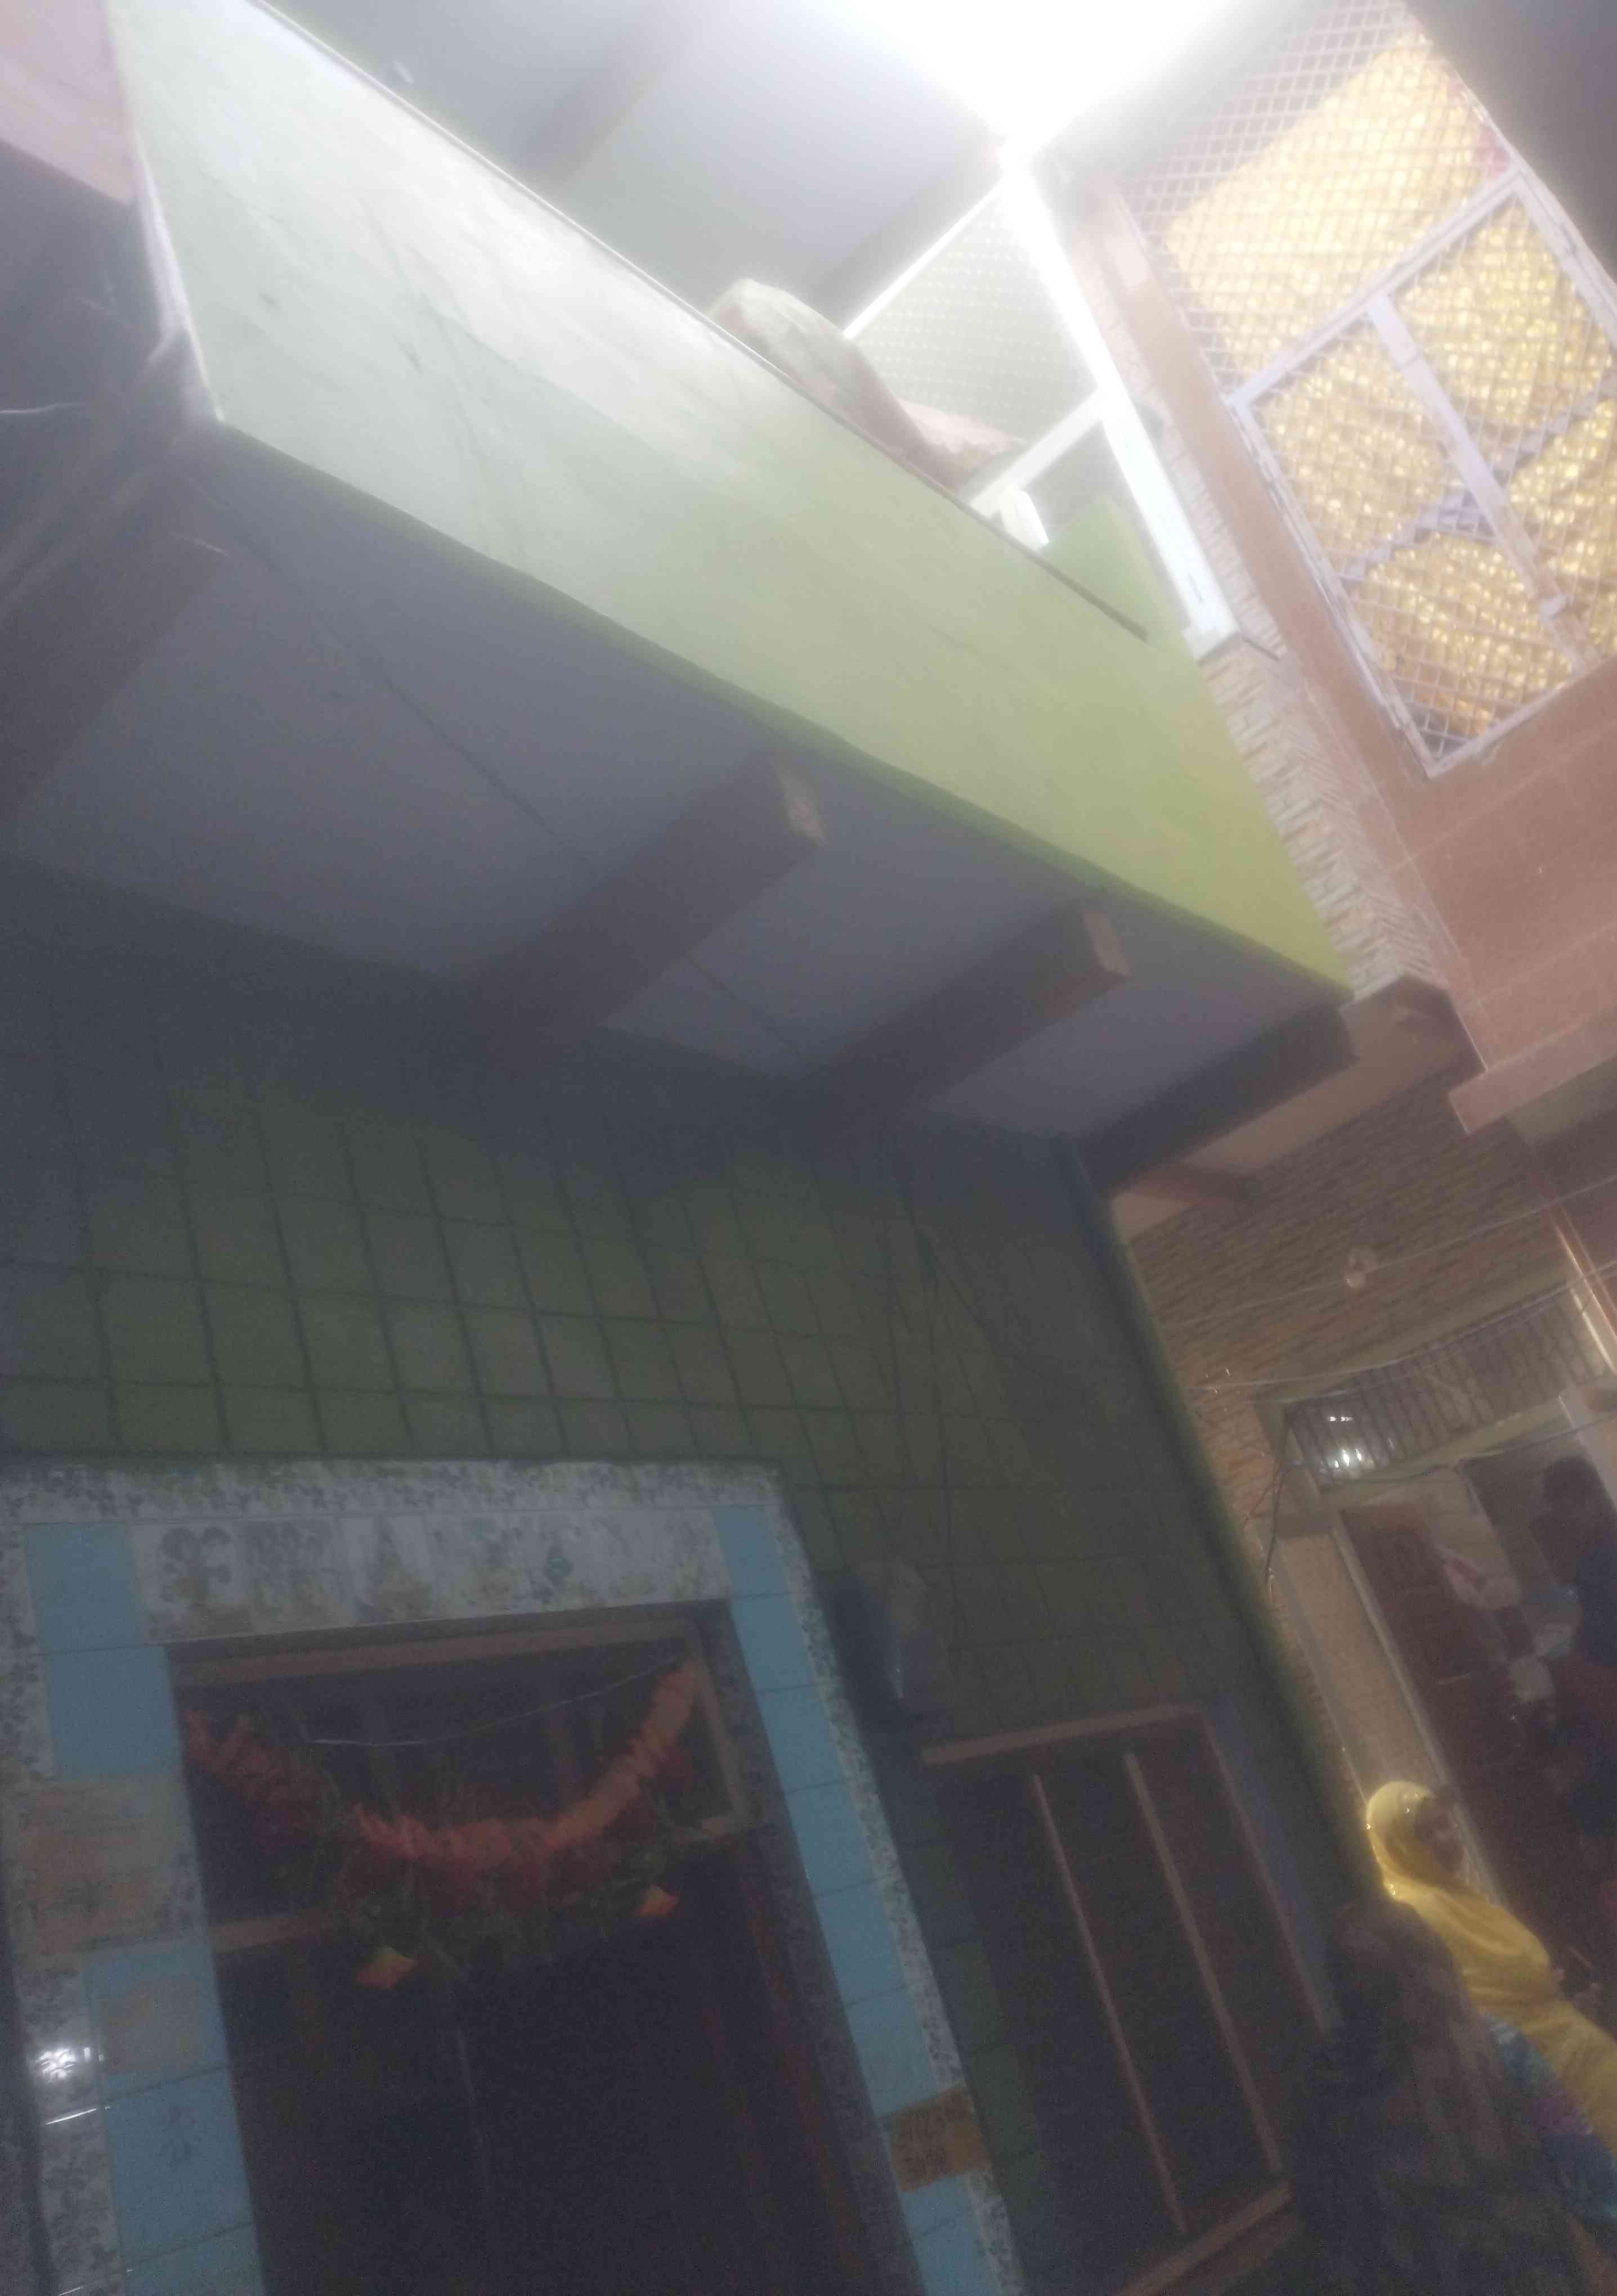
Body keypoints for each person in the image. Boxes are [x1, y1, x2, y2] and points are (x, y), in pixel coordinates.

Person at [1293, 1896, 1613, 2291]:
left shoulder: (1326, 2084)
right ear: (1432, 1962)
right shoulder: (1499, 2051)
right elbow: (1591, 2182)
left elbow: (1327, 2231)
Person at [1368, 1780, 1617, 2152]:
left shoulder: (1456, 1896)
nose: (1443, 1839)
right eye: (1424, 1834)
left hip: (1571, 2056)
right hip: (1546, 2080)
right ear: (1397, 1847)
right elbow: (1488, 1992)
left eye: (1443, 1824)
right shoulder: (1417, 1913)